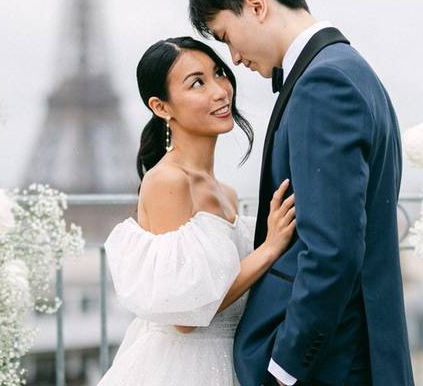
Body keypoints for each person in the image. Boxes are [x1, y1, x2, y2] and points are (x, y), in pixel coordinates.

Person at [189, 0, 414, 386]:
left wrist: (283, 368)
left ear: (255, 6)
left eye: (226, 36)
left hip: (329, 365)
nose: (232, 57)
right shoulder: (352, 70)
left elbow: (331, 251)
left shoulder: (323, 84)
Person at [98, 36, 297, 386]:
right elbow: (184, 316)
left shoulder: (228, 194)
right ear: (162, 107)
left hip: (233, 359)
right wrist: (268, 249)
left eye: (218, 73)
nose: (220, 91)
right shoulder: (168, 181)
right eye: (197, 83)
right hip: (182, 368)